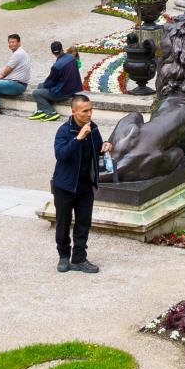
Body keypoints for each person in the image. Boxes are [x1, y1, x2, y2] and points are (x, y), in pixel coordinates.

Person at [51, 94, 109, 273]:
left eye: (91, 110)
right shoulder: (64, 131)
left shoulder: (93, 128)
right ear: (74, 111)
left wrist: (105, 145)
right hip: (65, 186)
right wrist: (78, 139)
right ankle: (63, 257)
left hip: (85, 185)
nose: (89, 114)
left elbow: (98, 148)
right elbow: (61, 155)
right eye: (85, 111)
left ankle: (79, 258)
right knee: (63, 223)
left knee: (84, 223)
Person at [0, 34, 32, 115]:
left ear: (19, 43)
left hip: (16, 85)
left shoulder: (18, 54)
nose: (11, 44)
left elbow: (5, 73)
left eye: (13, 42)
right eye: (9, 42)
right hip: (19, 84)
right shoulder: (22, 52)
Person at [30, 42, 83, 121]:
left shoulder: (56, 66)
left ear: (52, 52)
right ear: (62, 49)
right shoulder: (71, 57)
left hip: (64, 93)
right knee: (40, 86)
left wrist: (46, 86)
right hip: (73, 89)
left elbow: (49, 83)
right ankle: (41, 110)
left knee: (36, 92)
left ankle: (51, 112)